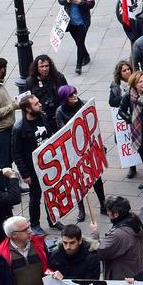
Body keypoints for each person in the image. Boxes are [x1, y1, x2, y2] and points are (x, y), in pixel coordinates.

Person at [54, 86, 106, 218]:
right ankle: (81, 208)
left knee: (96, 176)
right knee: (78, 180)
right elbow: (63, 131)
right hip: (74, 150)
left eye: (75, 93)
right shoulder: (60, 112)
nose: (74, 96)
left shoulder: (83, 104)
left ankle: (103, 204)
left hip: (88, 146)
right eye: (71, 95)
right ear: (65, 98)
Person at [12, 94, 55, 234]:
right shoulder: (19, 128)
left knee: (51, 194)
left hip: (48, 165)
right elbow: (17, 154)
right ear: (28, 109)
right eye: (36, 104)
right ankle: (35, 223)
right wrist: (25, 174)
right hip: (33, 170)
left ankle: (53, 219)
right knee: (35, 198)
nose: (40, 104)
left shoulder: (43, 117)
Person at [57, 0, 95, 74]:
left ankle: (78, 66)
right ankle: (86, 56)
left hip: (82, 22)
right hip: (70, 22)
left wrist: (81, 2)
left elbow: (91, 3)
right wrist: (67, 0)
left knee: (79, 42)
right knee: (79, 42)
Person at [98, 196, 143, 281]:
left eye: (109, 211)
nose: (107, 213)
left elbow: (101, 252)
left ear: (116, 214)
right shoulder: (135, 221)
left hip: (121, 278)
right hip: (134, 271)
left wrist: (94, 234)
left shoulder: (118, 235)